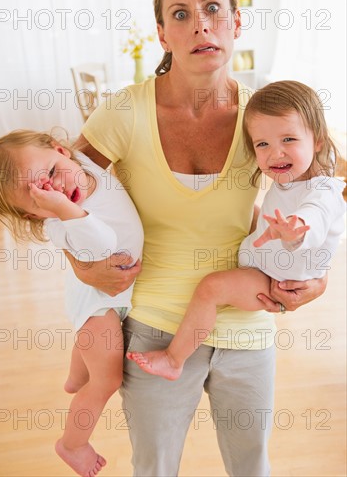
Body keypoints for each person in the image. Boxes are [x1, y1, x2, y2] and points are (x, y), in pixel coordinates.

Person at [69, 0, 328, 477]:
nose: (201, 25)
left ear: (236, 22)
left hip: (248, 319)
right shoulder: (125, 111)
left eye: (213, 9)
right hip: (155, 327)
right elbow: (60, 190)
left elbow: (318, 195)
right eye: (181, 15)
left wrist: (317, 280)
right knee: (155, 467)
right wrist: (83, 266)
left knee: (252, 466)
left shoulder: (265, 116)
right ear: (163, 34)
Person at [126, 80, 346, 380]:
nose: (275, 154)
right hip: (266, 265)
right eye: (263, 144)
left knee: (211, 288)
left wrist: (296, 230)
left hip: (274, 281)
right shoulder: (293, 180)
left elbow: (315, 217)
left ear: (318, 140)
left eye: (289, 140)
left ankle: (174, 359)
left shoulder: (322, 191)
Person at [0, 130, 144, 477]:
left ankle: (76, 377)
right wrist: (65, 210)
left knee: (91, 360)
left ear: (62, 150)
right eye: (40, 195)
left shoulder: (84, 162)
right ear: (33, 215)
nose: (56, 190)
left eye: (51, 173)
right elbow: (102, 246)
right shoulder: (61, 223)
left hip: (105, 299)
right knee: (106, 380)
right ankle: (72, 444)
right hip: (97, 305)